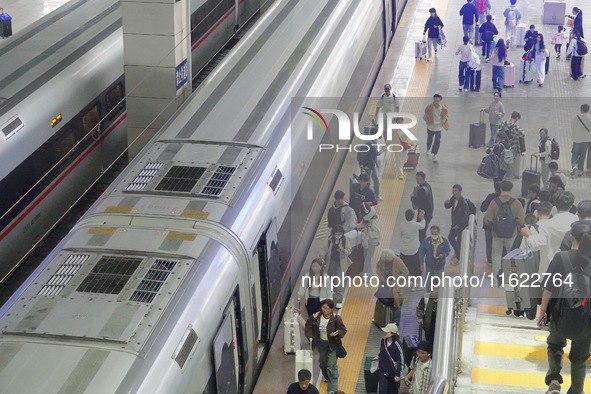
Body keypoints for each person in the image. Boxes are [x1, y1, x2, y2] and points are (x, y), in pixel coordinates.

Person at [536, 222, 591, 394]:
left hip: (560, 316)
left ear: (571, 237)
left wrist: (542, 312)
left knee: (554, 345)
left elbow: (548, 290)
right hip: (586, 320)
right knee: (579, 359)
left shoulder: (561, 257)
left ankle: (554, 381)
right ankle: (576, 390)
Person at [522, 191, 578, 273]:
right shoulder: (577, 221)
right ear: (572, 205)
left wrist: (528, 235)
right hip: (573, 265)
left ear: (554, 205)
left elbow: (535, 246)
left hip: (551, 266)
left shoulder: (546, 225)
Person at [483, 180, 525, 284]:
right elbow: (521, 221)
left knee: (496, 255)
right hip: (512, 234)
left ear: (501, 189)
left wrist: (494, 224)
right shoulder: (516, 203)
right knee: (512, 255)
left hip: (496, 234)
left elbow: (487, 219)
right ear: (511, 189)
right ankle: (510, 277)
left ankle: (497, 278)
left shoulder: (494, 202)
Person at [304, 299, 347, 394]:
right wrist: (310, 336)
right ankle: (326, 375)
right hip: (321, 344)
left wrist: (338, 333)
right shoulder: (316, 317)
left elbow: (343, 329)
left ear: (331, 309)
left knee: (331, 366)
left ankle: (332, 389)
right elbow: (308, 325)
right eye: (323, 307)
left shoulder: (336, 318)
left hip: (333, 344)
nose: (324, 310)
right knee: (322, 363)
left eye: (326, 308)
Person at [319, 226, 351, 309]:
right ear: (333, 234)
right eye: (336, 234)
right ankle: (331, 298)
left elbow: (349, 251)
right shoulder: (330, 240)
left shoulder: (345, 240)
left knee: (339, 281)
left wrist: (343, 250)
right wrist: (322, 257)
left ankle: (339, 300)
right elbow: (324, 249)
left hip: (341, 264)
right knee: (331, 280)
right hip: (331, 263)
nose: (338, 235)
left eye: (339, 234)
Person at [375, 249, 409, 325]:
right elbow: (378, 268)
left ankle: (396, 322)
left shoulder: (398, 261)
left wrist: (396, 280)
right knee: (381, 300)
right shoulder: (382, 259)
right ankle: (380, 318)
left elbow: (406, 272)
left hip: (396, 286)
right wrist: (381, 276)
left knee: (397, 303)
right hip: (385, 284)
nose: (386, 263)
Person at [444, 184, 470, 263]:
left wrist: (458, 225)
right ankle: (457, 252)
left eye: (456, 191)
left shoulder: (463, 203)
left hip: (461, 226)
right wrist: (446, 203)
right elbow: (448, 206)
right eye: (453, 191)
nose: (454, 193)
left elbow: (466, 218)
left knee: (459, 241)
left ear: (460, 192)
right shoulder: (453, 198)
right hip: (454, 224)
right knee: (451, 237)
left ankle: (459, 257)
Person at [399, 209, 426, 278]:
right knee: (415, 267)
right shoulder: (415, 225)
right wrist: (422, 218)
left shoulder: (402, 224)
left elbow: (401, 235)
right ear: (413, 216)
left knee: (404, 266)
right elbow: (423, 225)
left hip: (403, 250)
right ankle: (414, 281)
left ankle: (405, 278)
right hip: (413, 251)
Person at [378, 323, 404, 394]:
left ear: (392, 334)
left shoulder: (398, 345)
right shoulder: (383, 341)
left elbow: (400, 360)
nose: (384, 332)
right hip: (383, 371)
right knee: (382, 391)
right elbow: (382, 352)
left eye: (387, 332)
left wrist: (397, 374)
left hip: (392, 374)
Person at [422, 94, 449, 162]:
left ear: (440, 100)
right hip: (431, 126)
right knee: (430, 140)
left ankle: (434, 154)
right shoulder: (429, 107)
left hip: (438, 127)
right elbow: (425, 115)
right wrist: (427, 119)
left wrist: (443, 120)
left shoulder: (444, 108)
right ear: (433, 100)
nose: (436, 102)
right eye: (435, 100)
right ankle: (428, 148)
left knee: (437, 141)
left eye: (438, 100)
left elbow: (446, 115)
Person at [481, 182, 502, 267]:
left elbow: (482, 208)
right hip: (500, 225)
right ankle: (498, 259)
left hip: (489, 224)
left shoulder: (490, 197)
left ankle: (490, 259)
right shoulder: (505, 199)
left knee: (489, 241)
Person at [499, 111, 525, 177]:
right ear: (516, 118)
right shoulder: (516, 127)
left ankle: (503, 174)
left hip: (503, 146)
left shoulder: (504, 123)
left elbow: (499, 130)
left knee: (503, 160)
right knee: (510, 163)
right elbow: (522, 134)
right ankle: (508, 176)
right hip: (512, 146)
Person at [410, 172, 434, 242]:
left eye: (419, 179)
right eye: (416, 179)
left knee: (421, 233)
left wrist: (412, 197)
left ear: (423, 178)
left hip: (423, 214)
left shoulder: (422, 190)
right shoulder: (427, 185)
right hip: (429, 212)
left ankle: (422, 249)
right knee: (423, 231)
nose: (417, 180)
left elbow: (418, 202)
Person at [358, 202, 381, 276]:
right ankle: (369, 272)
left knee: (368, 259)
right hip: (367, 241)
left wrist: (367, 232)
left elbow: (377, 233)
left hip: (372, 242)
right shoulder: (368, 219)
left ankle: (366, 274)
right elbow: (363, 223)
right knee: (366, 257)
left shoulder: (373, 222)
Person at [570, 104, 591, 177]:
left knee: (575, 154)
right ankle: (580, 170)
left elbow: (572, 126)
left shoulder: (576, 117)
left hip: (576, 139)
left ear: (581, 109)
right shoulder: (590, 118)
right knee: (582, 155)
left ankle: (574, 166)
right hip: (586, 140)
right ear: (588, 110)